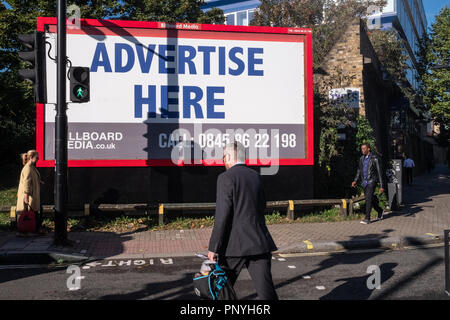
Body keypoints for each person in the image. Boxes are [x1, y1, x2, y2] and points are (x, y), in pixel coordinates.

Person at [207, 141, 278, 300]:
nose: (223, 161)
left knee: (221, 291)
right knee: (267, 293)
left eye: (224, 157)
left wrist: (213, 248)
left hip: (234, 246)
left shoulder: (225, 178)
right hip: (259, 242)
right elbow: (262, 206)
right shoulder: (256, 177)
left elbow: (222, 216)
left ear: (230, 156)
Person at [352, 143, 385, 224]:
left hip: (371, 181)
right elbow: (359, 170)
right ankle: (380, 210)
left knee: (368, 199)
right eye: (361, 149)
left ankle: (367, 218)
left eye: (364, 149)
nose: (362, 150)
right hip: (364, 182)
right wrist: (355, 180)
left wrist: (381, 185)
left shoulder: (375, 158)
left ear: (368, 149)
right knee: (371, 198)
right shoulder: (361, 159)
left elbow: (379, 172)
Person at [16, 150, 45, 236]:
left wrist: (39, 181)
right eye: (37, 157)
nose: (38, 159)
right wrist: (26, 195)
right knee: (29, 213)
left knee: (35, 212)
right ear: (31, 157)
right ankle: (24, 230)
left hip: (33, 195)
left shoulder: (32, 167)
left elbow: (32, 179)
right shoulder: (28, 168)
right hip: (29, 195)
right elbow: (26, 182)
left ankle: (34, 229)